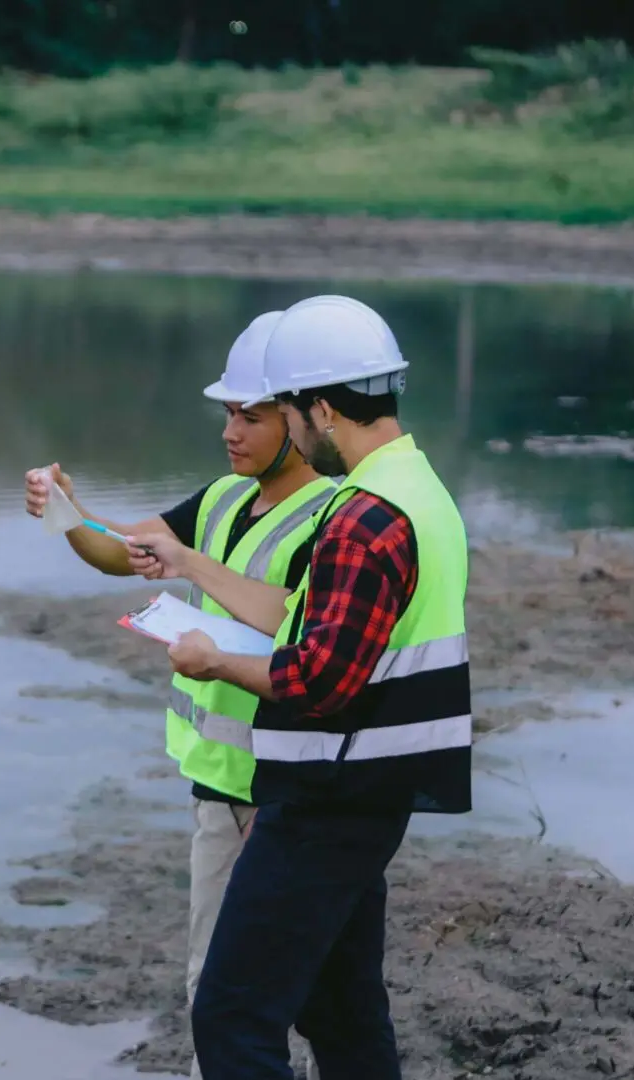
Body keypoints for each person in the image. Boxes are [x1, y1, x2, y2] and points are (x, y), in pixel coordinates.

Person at [128, 294, 473, 1080]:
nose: (287, 426)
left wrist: (214, 662)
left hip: (327, 796)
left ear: (321, 408)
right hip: (377, 791)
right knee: (340, 1012)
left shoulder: (362, 516)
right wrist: (189, 567)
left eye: (287, 408)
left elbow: (317, 677)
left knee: (231, 1017)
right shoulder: (422, 490)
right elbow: (313, 626)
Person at [25, 311, 334, 1080]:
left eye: (250, 416)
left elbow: (310, 641)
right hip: (221, 791)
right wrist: (66, 508)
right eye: (227, 413)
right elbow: (118, 551)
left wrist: (192, 570)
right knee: (270, 997)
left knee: (230, 999)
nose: (230, 431)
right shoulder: (226, 498)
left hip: (279, 795)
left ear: (299, 419)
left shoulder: (334, 518)